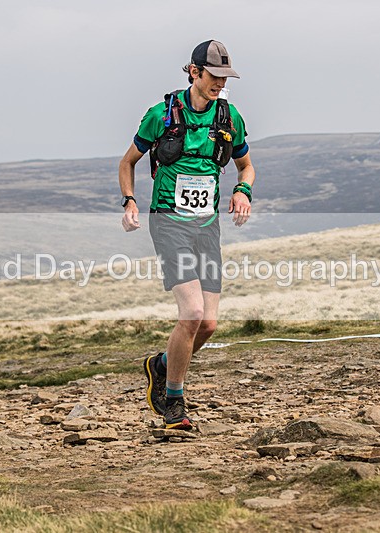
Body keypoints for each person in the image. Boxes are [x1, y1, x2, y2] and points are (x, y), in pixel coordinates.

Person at [118, 40, 255, 430]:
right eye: (214, 76)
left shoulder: (230, 118)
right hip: (168, 221)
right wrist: (129, 201)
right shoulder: (160, 115)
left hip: (205, 225)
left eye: (225, 78)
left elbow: (247, 167)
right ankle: (174, 401)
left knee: (208, 324)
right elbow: (127, 162)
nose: (219, 85)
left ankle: (160, 365)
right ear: (194, 72)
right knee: (191, 313)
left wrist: (242, 191)